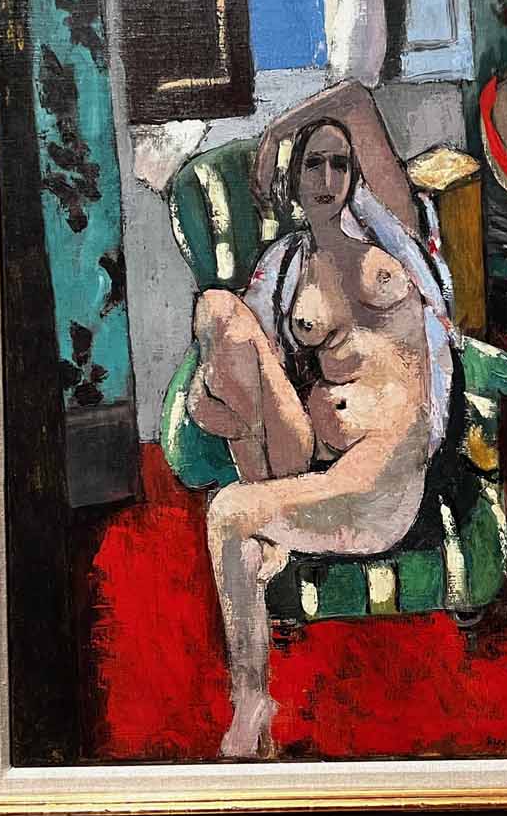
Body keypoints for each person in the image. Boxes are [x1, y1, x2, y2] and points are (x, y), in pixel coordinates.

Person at [186, 79, 459, 758]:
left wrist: (279, 132)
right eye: (314, 164)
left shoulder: (390, 228)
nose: (330, 177)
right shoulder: (283, 270)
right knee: (216, 309)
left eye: (341, 163)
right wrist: (203, 397)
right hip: (321, 464)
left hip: (385, 474)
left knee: (228, 515)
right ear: (293, 182)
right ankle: (254, 691)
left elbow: (357, 99)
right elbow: (246, 371)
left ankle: (251, 700)